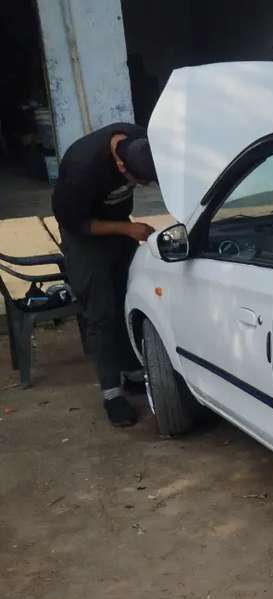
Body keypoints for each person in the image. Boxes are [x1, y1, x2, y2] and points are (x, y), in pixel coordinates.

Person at [51, 123, 158, 427]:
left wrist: (126, 227)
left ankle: (133, 373)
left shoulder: (137, 138)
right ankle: (112, 394)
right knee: (101, 312)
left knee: (128, 296)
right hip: (83, 233)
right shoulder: (81, 169)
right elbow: (77, 224)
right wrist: (127, 229)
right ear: (120, 164)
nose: (143, 187)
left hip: (117, 221)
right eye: (137, 182)